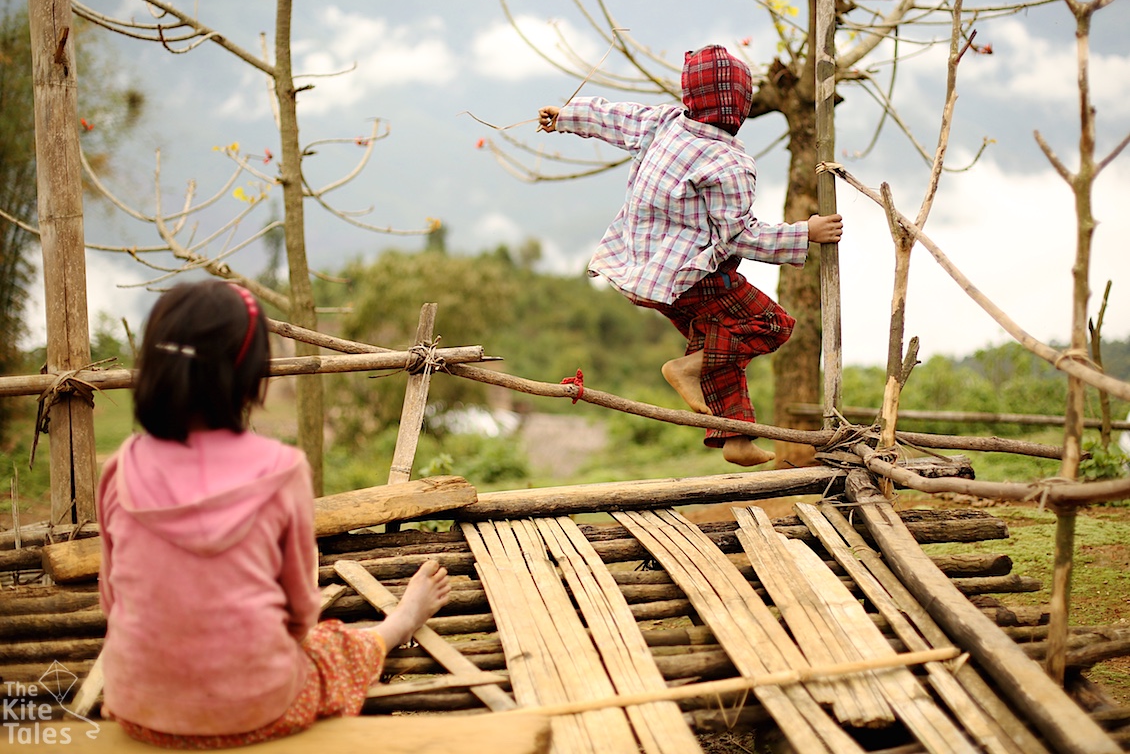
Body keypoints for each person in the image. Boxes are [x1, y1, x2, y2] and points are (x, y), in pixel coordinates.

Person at [97, 279, 451, 748]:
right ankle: (399, 624)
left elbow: (112, 602)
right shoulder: (282, 471)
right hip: (258, 709)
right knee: (331, 646)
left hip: (138, 708)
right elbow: (301, 617)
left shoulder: (120, 468)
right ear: (250, 375)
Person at [538, 44, 843, 467]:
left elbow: (615, 118)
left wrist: (566, 117)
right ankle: (684, 370)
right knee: (770, 324)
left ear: (689, 97)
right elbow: (739, 236)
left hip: (641, 274)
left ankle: (736, 438)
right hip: (691, 278)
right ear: (742, 103)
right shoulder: (730, 162)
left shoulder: (665, 124)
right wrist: (804, 233)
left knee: (721, 342)